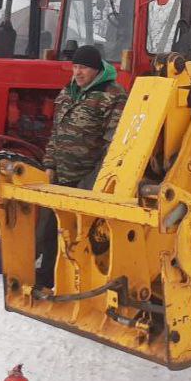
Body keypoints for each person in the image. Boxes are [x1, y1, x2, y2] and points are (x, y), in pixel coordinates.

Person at [36, 44, 127, 285]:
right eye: (75, 66)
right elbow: (56, 133)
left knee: (83, 235)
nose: (77, 72)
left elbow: (114, 144)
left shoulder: (113, 96)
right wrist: (50, 165)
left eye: (83, 68)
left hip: (88, 179)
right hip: (61, 177)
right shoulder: (68, 93)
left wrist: (94, 180)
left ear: (96, 70)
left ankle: (82, 284)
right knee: (50, 231)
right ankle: (48, 279)